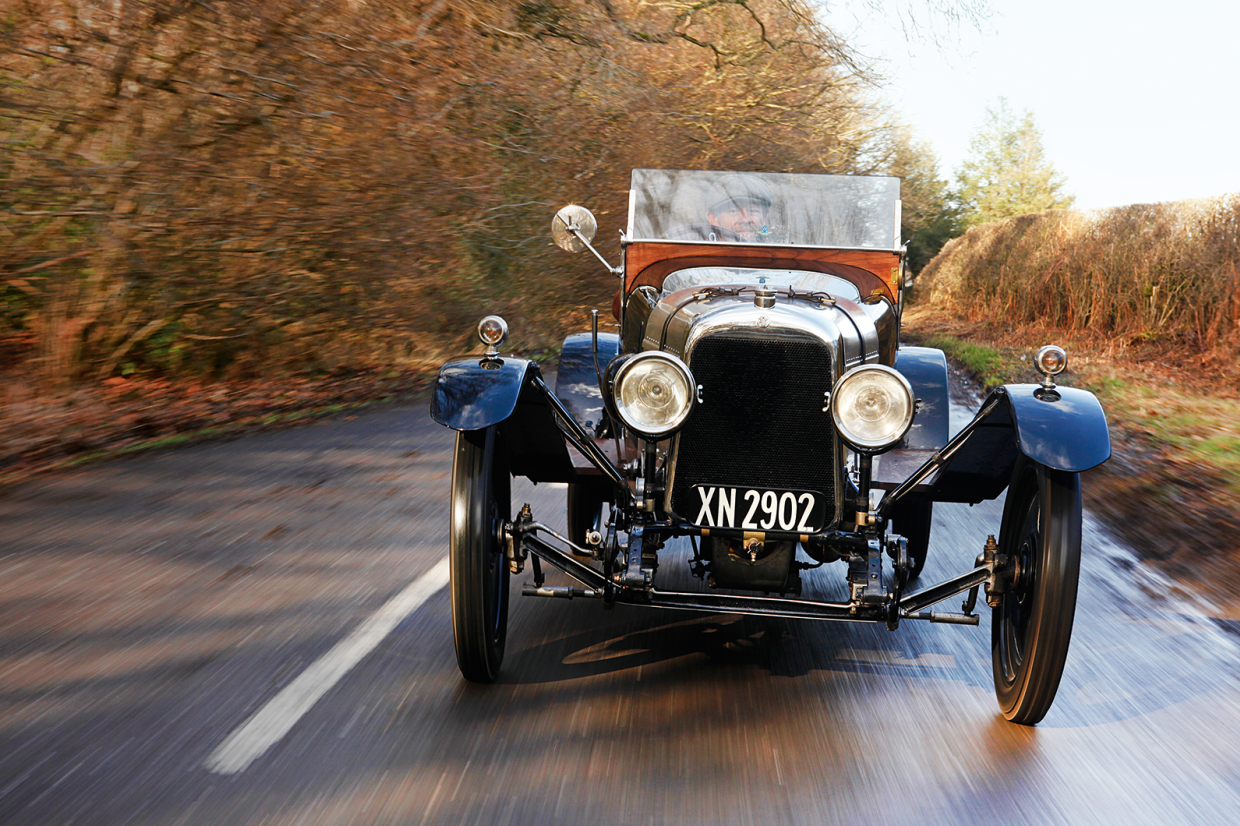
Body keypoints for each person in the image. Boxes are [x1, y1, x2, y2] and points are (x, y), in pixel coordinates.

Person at [703, 174, 775, 242]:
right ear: (713, 219)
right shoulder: (700, 252)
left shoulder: (777, 250)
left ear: (764, 218)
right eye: (734, 211)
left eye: (753, 211)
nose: (746, 220)